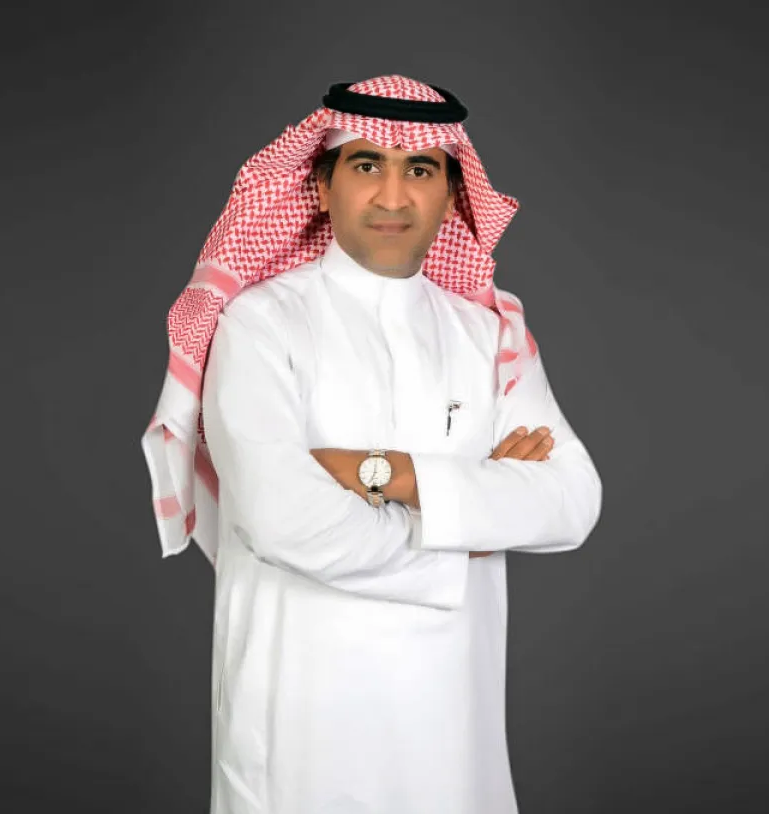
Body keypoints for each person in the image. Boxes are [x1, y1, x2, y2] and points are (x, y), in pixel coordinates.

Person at [140, 75, 603, 814]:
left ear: (451, 194)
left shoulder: (487, 333)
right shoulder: (258, 326)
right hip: (298, 729)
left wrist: (386, 475)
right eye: (366, 165)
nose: (394, 196)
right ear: (322, 186)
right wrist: (467, 525)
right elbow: (283, 520)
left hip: (451, 730)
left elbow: (572, 501)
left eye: (420, 169)